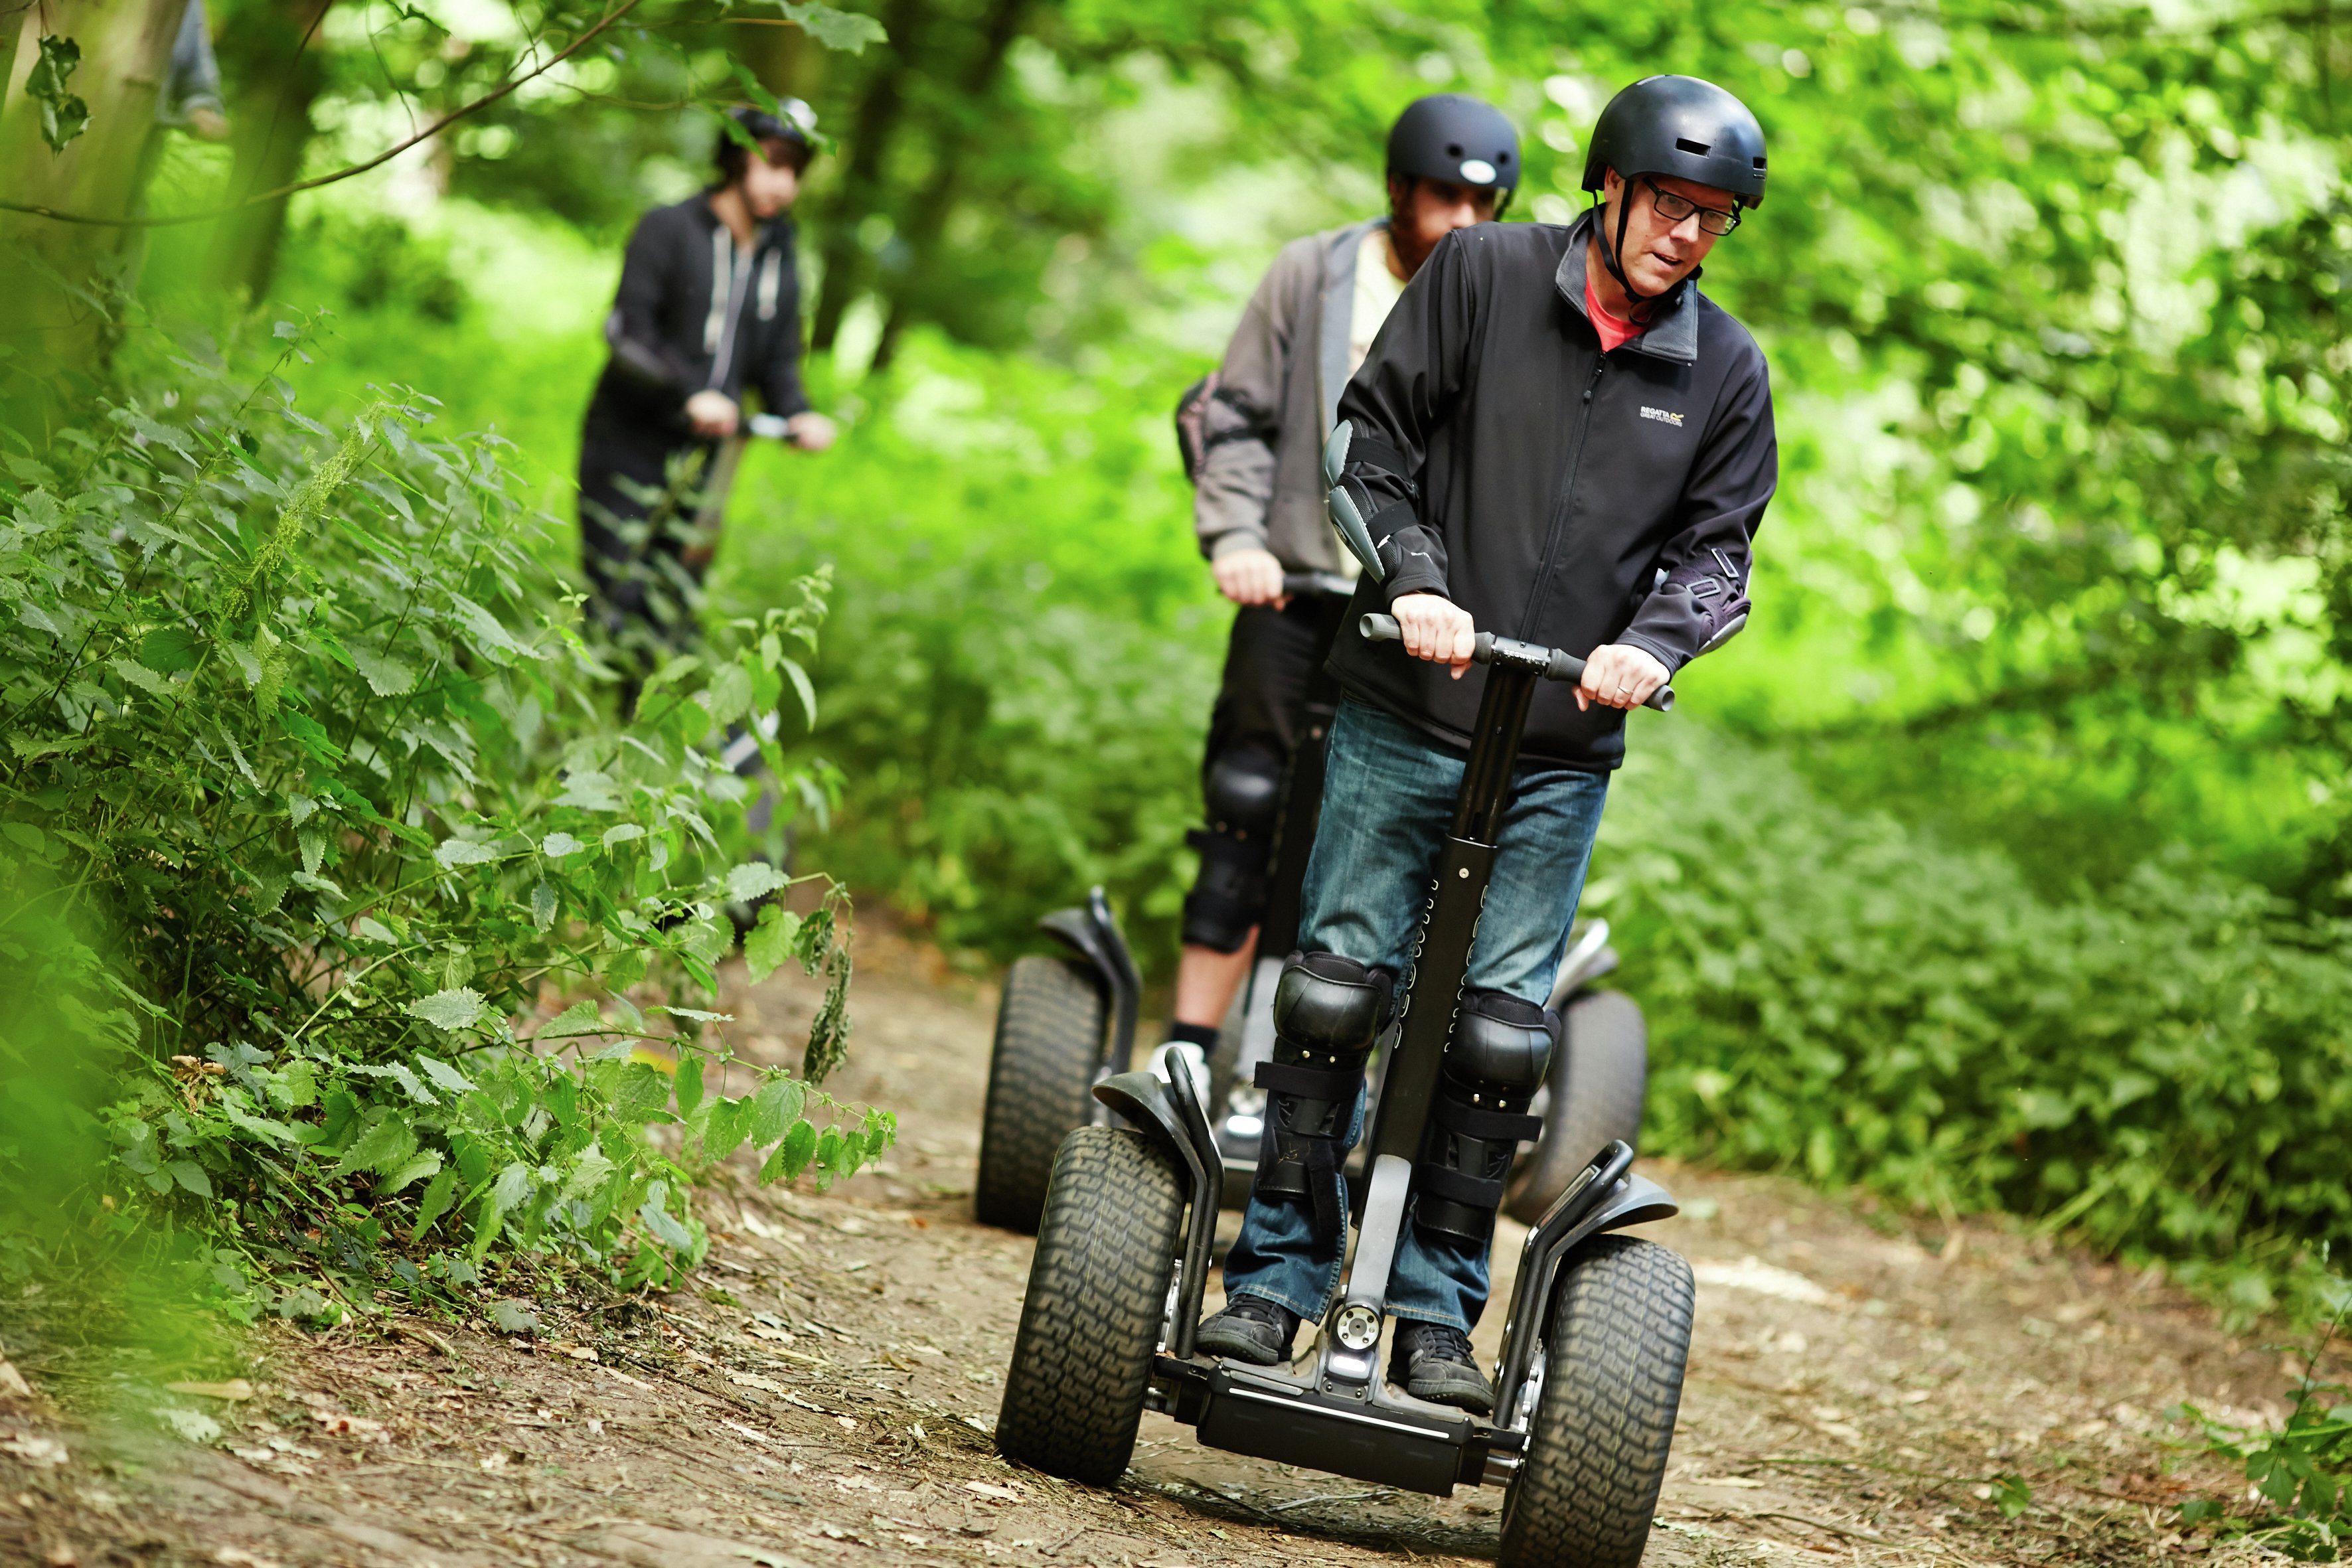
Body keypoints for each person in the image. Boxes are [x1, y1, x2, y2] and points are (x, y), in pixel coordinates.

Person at [1194, 76, 1776, 1413]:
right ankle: (1274, 1279)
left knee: (1501, 1037)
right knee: (1335, 987)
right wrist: (1410, 578)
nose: (1687, 234)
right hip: (1408, 707)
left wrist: (1658, 642)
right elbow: (1370, 443)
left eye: (1715, 217)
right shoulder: (1478, 278)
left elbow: (1715, 552)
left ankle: (1435, 1319)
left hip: (1559, 744)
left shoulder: (1723, 371)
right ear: (1610, 188)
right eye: (1670, 204)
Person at [1166, 95, 1522, 1068]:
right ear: (1398, 190)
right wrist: (1235, 534)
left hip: (1414, 618)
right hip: (1290, 587)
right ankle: (1191, 1048)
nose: (1461, 223)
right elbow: (1232, 413)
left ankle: (1326, 1071)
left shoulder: (1499, 296)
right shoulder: (1313, 274)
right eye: (1443, 198)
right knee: (1246, 801)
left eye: (1482, 207)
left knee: (1389, 835)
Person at [578, 104, 838, 678]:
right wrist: (688, 392)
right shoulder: (667, 229)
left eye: (794, 170)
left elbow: (778, 360)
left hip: (705, 460)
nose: (782, 183)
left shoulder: (781, 255)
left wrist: (797, 413)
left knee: (668, 603)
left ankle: (634, 738)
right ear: (733, 158)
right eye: (770, 163)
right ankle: (565, 732)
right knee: (614, 593)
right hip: (628, 441)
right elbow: (628, 335)